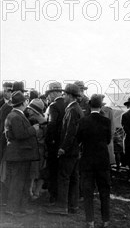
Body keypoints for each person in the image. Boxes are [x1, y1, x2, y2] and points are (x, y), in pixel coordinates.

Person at [46, 83, 83, 216]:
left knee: (63, 178)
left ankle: (61, 206)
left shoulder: (72, 110)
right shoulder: (77, 108)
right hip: (74, 151)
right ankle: (73, 206)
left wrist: (62, 148)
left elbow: (70, 132)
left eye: (65, 94)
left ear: (70, 95)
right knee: (73, 178)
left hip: (68, 151)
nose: (64, 96)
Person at [77, 94, 112, 228]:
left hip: (87, 161)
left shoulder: (83, 121)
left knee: (88, 192)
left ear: (89, 105)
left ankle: (90, 221)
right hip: (103, 161)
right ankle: (105, 220)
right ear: (100, 106)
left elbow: (78, 139)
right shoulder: (106, 121)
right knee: (104, 191)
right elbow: (108, 140)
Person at [4, 90, 40, 216]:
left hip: (19, 155)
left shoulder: (13, 115)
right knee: (18, 182)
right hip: (20, 155)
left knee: (20, 182)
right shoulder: (16, 116)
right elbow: (20, 135)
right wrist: (33, 129)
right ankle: (13, 208)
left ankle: (19, 208)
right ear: (23, 103)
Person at [45, 81, 65, 203]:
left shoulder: (53, 106)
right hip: (65, 144)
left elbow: (51, 125)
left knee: (53, 171)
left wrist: (49, 141)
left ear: (54, 93)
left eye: (49, 93)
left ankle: (53, 196)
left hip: (54, 144)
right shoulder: (68, 104)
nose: (48, 96)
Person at [25, 98, 47, 199]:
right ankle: (32, 192)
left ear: (35, 111)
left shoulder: (43, 123)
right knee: (36, 171)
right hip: (39, 151)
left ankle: (35, 192)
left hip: (39, 151)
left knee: (38, 172)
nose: (28, 111)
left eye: (30, 109)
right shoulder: (44, 121)